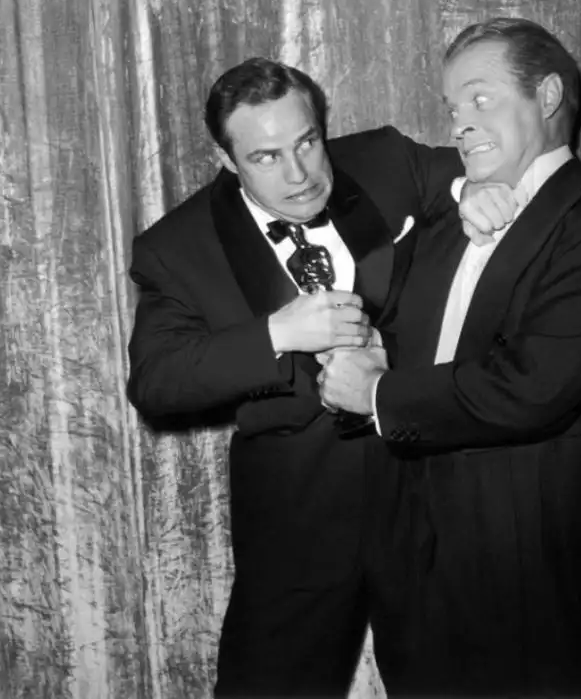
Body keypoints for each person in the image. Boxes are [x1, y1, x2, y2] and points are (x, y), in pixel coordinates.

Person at [320, 17, 581, 697]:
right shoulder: (439, 229)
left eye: (480, 99)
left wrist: (374, 392)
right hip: (421, 575)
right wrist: (357, 368)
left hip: (550, 569)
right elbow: (384, 358)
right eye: (452, 108)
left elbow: (531, 388)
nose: (460, 124)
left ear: (547, 96)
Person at [126, 57, 502, 696]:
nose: (299, 174)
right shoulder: (178, 246)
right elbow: (156, 382)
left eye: (306, 143)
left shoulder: (384, 160)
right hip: (296, 513)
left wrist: (473, 190)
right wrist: (277, 334)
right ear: (226, 160)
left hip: (429, 489)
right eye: (266, 157)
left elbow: (469, 169)